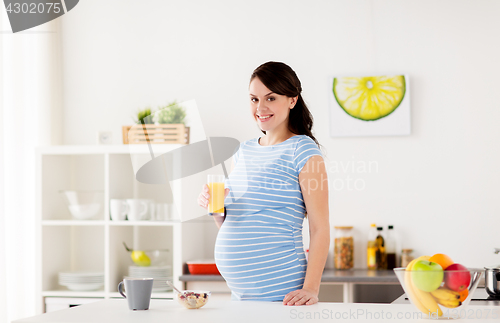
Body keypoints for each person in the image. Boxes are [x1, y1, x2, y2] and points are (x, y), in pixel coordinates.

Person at [197, 61, 330, 306]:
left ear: (292, 100)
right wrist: (216, 211)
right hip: (241, 296)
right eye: (254, 99)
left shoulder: (303, 150)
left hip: (281, 292)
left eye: (270, 98)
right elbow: (239, 222)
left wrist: (311, 288)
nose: (260, 108)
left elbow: (320, 228)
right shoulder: (244, 150)